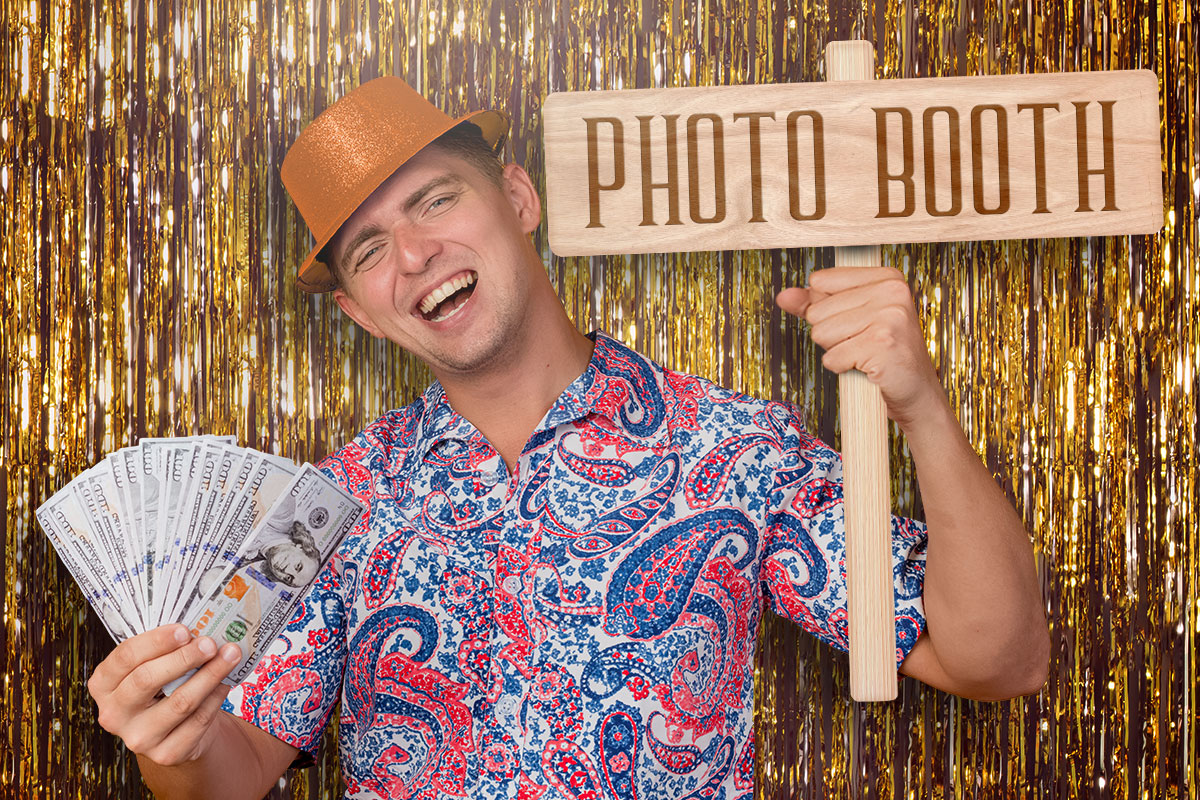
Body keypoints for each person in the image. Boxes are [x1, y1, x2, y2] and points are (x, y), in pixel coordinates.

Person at [87, 77, 1049, 799]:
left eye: (434, 201)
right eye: (371, 249)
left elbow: (995, 660)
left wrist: (920, 406)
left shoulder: (735, 449)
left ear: (517, 198)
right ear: (360, 313)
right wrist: (170, 739)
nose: (416, 255)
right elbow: (238, 768)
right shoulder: (334, 504)